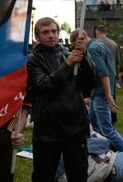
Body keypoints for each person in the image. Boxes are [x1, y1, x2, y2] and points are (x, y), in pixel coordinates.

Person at [26, 18, 98, 182]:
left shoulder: (69, 54)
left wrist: (85, 57)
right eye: (45, 32)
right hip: (47, 132)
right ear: (37, 37)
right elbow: (44, 86)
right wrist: (67, 66)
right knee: (43, 176)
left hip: (76, 128)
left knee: (78, 175)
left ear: (59, 33)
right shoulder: (33, 60)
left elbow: (91, 82)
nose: (51, 35)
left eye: (53, 31)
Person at [86, 32, 123, 152]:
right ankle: (101, 153)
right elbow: (112, 66)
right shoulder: (101, 45)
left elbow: (103, 71)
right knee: (94, 127)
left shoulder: (91, 49)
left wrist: (108, 95)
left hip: (100, 92)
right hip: (99, 92)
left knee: (107, 130)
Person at [56, 131, 123, 182]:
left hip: (108, 179)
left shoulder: (48, 169)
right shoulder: (69, 145)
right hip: (117, 164)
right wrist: (93, 135)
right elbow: (103, 142)